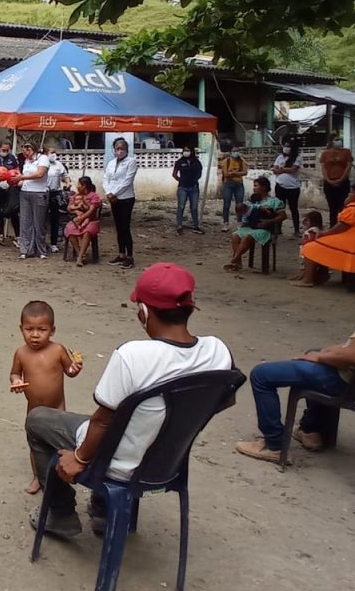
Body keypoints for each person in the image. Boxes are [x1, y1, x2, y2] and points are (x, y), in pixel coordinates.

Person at [24, 263, 234, 536]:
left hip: (120, 463)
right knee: (129, 421)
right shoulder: (219, 351)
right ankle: (103, 511)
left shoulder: (133, 355)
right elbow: (222, 401)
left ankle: (61, 513)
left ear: (144, 312)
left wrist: (79, 457)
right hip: (168, 459)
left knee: (38, 419)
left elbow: (102, 422)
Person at [236, 223, 355, 463]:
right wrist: (325, 353)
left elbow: (354, 357)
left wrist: (323, 357)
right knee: (316, 353)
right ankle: (312, 431)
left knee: (262, 375)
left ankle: (274, 444)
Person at [10, 301, 83, 494]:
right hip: (33, 409)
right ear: (21, 329)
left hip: (58, 408)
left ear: (52, 330)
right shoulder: (21, 353)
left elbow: (69, 371)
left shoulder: (58, 350)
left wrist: (74, 368)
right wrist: (16, 381)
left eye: (41, 329)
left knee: (59, 444)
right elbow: (14, 374)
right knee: (36, 447)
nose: (34, 335)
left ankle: (61, 474)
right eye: (29, 329)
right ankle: (38, 477)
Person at [291, 182, 355, 288]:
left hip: (352, 242)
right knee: (320, 244)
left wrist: (325, 234)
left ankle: (307, 279)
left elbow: (343, 226)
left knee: (310, 247)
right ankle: (321, 274)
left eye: (351, 192)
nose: (349, 194)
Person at [223, 176, 287, 271]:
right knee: (235, 235)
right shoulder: (253, 200)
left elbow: (283, 216)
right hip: (252, 227)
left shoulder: (274, 201)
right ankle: (238, 262)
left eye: (256, 186)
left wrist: (268, 221)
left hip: (266, 229)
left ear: (264, 187)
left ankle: (235, 259)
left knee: (247, 236)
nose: (254, 188)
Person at [12, 142, 51, 260]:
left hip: (39, 192)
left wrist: (22, 177)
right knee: (25, 222)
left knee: (39, 223)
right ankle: (25, 249)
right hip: (25, 192)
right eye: (24, 152)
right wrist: (15, 181)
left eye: (27, 151)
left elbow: (40, 174)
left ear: (33, 150)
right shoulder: (27, 162)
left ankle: (41, 249)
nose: (25, 154)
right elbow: (23, 177)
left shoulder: (43, 159)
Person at [104, 137, 138, 268]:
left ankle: (129, 257)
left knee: (125, 227)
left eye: (122, 148)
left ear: (127, 150)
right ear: (113, 149)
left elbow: (127, 180)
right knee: (118, 228)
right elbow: (106, 178)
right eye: (117, 148)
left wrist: (115, 193)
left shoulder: (131, 162)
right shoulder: (111, 163)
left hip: (126, 198)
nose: (120, 151)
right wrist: (108, 192)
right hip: (113, 199)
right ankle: (121, 254)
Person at [63, 176, 101, 267]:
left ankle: (80, 257)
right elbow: (69, 208)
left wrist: (81, 218)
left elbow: (91, 211)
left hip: (91, 220)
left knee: (87, 231)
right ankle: (79, 253)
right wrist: (76, 211)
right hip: (77, 220)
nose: (77, 186)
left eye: (79, 185)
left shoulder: (94, 196)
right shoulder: (75, 196)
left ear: (84, 186)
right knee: (70, 229)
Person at [0, 141, 20, 246]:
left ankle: (18, 235)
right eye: (3, 150)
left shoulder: (11, 158)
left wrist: (12, 181)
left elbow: (17, 170)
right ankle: (1, 234)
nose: (5, 152)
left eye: (7, 150)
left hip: (10, 188)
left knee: (13, 211)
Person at [319, 138, 353, 228]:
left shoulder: (346, 152)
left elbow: (348, 166)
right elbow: (323, 168)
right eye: (336, 139)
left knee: (343, 205)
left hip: (343, 182)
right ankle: (332, 225)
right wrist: (328, 180)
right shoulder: (325, 153)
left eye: (339, 139)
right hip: (329, 182)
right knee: (332, 207)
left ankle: (343, 225)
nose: (338, 141)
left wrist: (341, 179)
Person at [272, 137, 303, 235]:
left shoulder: (297, 157)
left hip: (293, 188)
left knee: (294, 209)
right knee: (279, 208)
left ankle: (296, 229)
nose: (286, 148)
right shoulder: (280, 157)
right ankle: (278, 229)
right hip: (280, 186)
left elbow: (293, 169)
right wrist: (284, 169)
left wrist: (281, 169)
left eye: (288, 146)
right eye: (285, 146)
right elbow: (274, 169)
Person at [173, 144, 204, 235]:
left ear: (191, 151)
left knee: (194, 208)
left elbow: (199, 173)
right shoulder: (179, 161)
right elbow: (174, 174)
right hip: (182, 188)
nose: (186, 152)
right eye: (184, 150)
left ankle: (196, 226)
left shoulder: (196, 162)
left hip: (194, 188)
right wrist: (181, 180)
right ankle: (179, 225)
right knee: (181, 206)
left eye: (188, 150)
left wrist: (194, 180)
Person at [44, 146, 70, 251]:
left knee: (55, 218)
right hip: (43, 193)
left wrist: (67, 182)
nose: (53, 155)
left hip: (56, 193)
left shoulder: (59, 164)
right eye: (51, 152)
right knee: (42, 218)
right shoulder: (42, 164)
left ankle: (53, 243)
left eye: (54, 153)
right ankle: (42, 242)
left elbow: (65, 175)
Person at [219, 147, 248, 232]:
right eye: (234, 151)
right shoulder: (226, 161)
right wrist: (238, 174)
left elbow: (245, 172)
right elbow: (226, 174)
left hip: (239, 185)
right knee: (226, 204)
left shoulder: (242, 161)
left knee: (239, 204)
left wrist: (234, 173)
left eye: (237, 151)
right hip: (228, 184)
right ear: (231, 152)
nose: (236, 153)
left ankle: (239, 222)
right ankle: (225, 223)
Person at [292, 211, 325, 282]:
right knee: (303, 263)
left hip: (307, 249)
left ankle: (303, 275)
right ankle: (301, 275)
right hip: (305, 248)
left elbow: (311, 239)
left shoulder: (312, 230)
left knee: (304, 264)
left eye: (307, 220)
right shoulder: (317, 230)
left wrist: (303, 243)